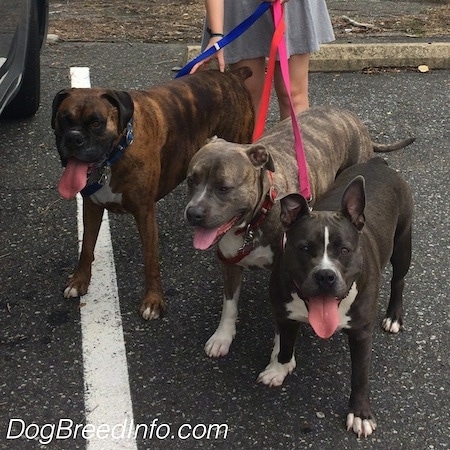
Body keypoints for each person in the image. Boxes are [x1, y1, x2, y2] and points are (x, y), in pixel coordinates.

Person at [191, 0, 335, 120]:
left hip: (292, 5)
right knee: (249, 96)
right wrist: (216, 35)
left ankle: (295, 154)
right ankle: (247, 153)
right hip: (241, 4)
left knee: (292, 94)